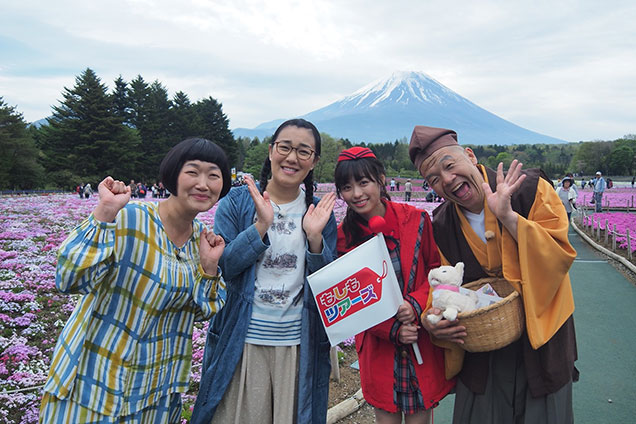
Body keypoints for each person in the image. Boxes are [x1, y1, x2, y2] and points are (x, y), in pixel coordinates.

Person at [39, 137, 231, 422]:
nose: (203, 183)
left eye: (214, 175)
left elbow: (202, 312)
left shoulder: (201, 241)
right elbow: (69, 279)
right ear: (172, 175)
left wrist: (209, 268)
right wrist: (104, 213)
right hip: (95, 382)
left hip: (156, 392)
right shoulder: (129, 217)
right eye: (192, 172)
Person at [409, 126, 578, 424]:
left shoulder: (530, 187)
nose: (447, 180)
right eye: (433, 179)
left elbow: (559, 255)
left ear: (470, 156)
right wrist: (431, 320)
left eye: (449, 165)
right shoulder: (442, 224)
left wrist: (509, 218)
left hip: (543, 341)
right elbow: (442, 286)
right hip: (483, 351)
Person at [191, 119, 338, 424]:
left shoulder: (319, 213)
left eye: (303, 151)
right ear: (271, 151)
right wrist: (260, 226)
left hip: (297, 345)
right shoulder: (237, 202)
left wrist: (314, 239)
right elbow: (226, 267)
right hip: (242, 340)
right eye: (284, 147)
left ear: (314, 162)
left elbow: (327, 286)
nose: (292, 157)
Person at [334, 147, 454, 424]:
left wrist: (415, 303)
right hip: (380, 349)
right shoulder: (343, 239)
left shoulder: (416, 220)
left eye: (364, 183)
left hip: (420, 339)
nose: (356, 194)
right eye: (347, 187)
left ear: (381, 180)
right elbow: (348, 303)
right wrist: (391, 330)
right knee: (385, 416)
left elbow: (437, 271)